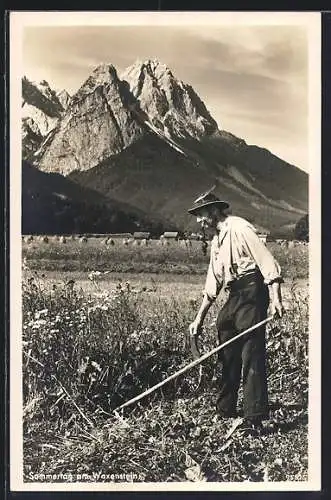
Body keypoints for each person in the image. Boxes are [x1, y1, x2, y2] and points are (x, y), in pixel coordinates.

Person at [188, 188, 284, 432]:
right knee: (226, 343)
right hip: (234, 294)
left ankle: (256, 417)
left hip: (253, 290)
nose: (199, 220)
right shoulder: (216, 241)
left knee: (251, 351)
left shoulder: (240, 228)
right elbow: (213, 283)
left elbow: (266, 261)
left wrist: (275, 298)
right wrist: (199, 318)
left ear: (214, 211)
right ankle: (226, 407)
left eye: (201, 214)